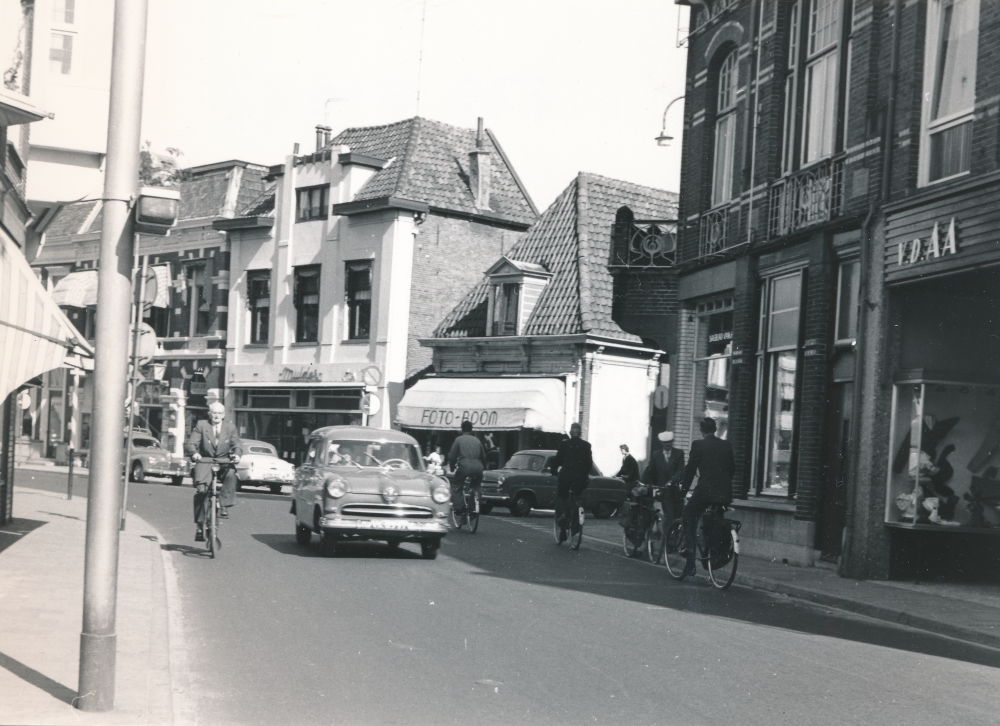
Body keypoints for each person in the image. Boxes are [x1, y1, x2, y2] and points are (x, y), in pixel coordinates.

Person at [679, 417, 735, 579]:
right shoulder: (726, 445)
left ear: (701, 431)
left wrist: (682, 492)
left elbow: (690, 471)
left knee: (689, 515)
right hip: (724, 494)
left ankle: (690, 560)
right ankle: (715, 555)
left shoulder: (698, 445)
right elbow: (732, 470)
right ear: (715, 429)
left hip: (705, 491)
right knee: (716, 521)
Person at [186, 402, 243, 542]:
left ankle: (223, 505)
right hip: (205, 460)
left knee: (231, 474)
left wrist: (236, 454)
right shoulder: (202, 425)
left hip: (224, 461)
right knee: (201, 491)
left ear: (223, 415)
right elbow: (192, 443)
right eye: (214, 413)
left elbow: (237, 445)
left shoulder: (230, 427)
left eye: (219, 413)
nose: (216, 415)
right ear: (209, 414)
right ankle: (200, 526)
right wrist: (194, 454)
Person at [548, 422, 592, 542]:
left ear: (571, 433)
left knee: (562, 498)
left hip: (566, 478)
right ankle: (576, 522)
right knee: (576, 498)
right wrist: (583, 475)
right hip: (580, 480)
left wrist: (553, 471)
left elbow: (557, 460)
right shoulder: (587, 445)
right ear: (580, 433)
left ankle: (562, 526)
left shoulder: (565, 444)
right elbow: (589, 464)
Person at [641, 431, 686, 524]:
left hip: (677, 491)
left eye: (669, 441)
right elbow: (649, 470)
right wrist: (643, 481)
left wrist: (672, 481)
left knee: (678, 517)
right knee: (669, 516)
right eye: (665, 442)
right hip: (664, 492)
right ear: (661, 443)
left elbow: (681, 470)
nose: (667, 444)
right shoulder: (656, 455)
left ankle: (675, 536)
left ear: (672, 441)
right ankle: (669, 537)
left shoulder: (679, 453)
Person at [447, 421, 487, 521]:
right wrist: (483, 466)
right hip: (478, 467)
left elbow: (452, 456)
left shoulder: (458, 439)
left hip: (464, 467)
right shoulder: (477, 440)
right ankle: (475, 506)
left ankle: (459, 508)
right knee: (476, 486)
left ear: (462, 429)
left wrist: (452, 467)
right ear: (471, 429)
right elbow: (483, 456)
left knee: (457, 485)